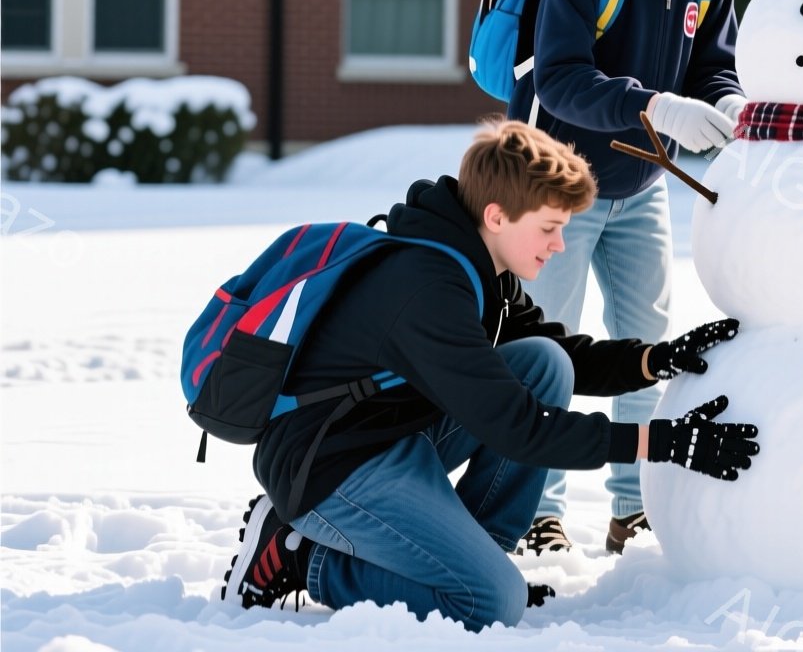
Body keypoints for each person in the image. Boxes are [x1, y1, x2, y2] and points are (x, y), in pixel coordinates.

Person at [221, 120, 759, 630]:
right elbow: (518, 427)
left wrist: (655, 360)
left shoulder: (477, 263)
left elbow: (561, 355)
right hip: (330, 467)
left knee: (544, 363)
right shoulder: (426, 289)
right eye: (549, 228)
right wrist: (662, 442)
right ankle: (301, 556)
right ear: (499, 216)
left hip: (389, 434)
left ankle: (477, 552)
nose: (559, 245)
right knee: (488, 602)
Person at [510, 0, 749, 554]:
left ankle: (633, 506)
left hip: (643, 186)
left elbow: (714, 63)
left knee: (647, 347)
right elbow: (559, 77)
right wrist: (651, 103)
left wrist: (728, 100)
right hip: (556, 190)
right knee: (546, 353)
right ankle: (536, 511)